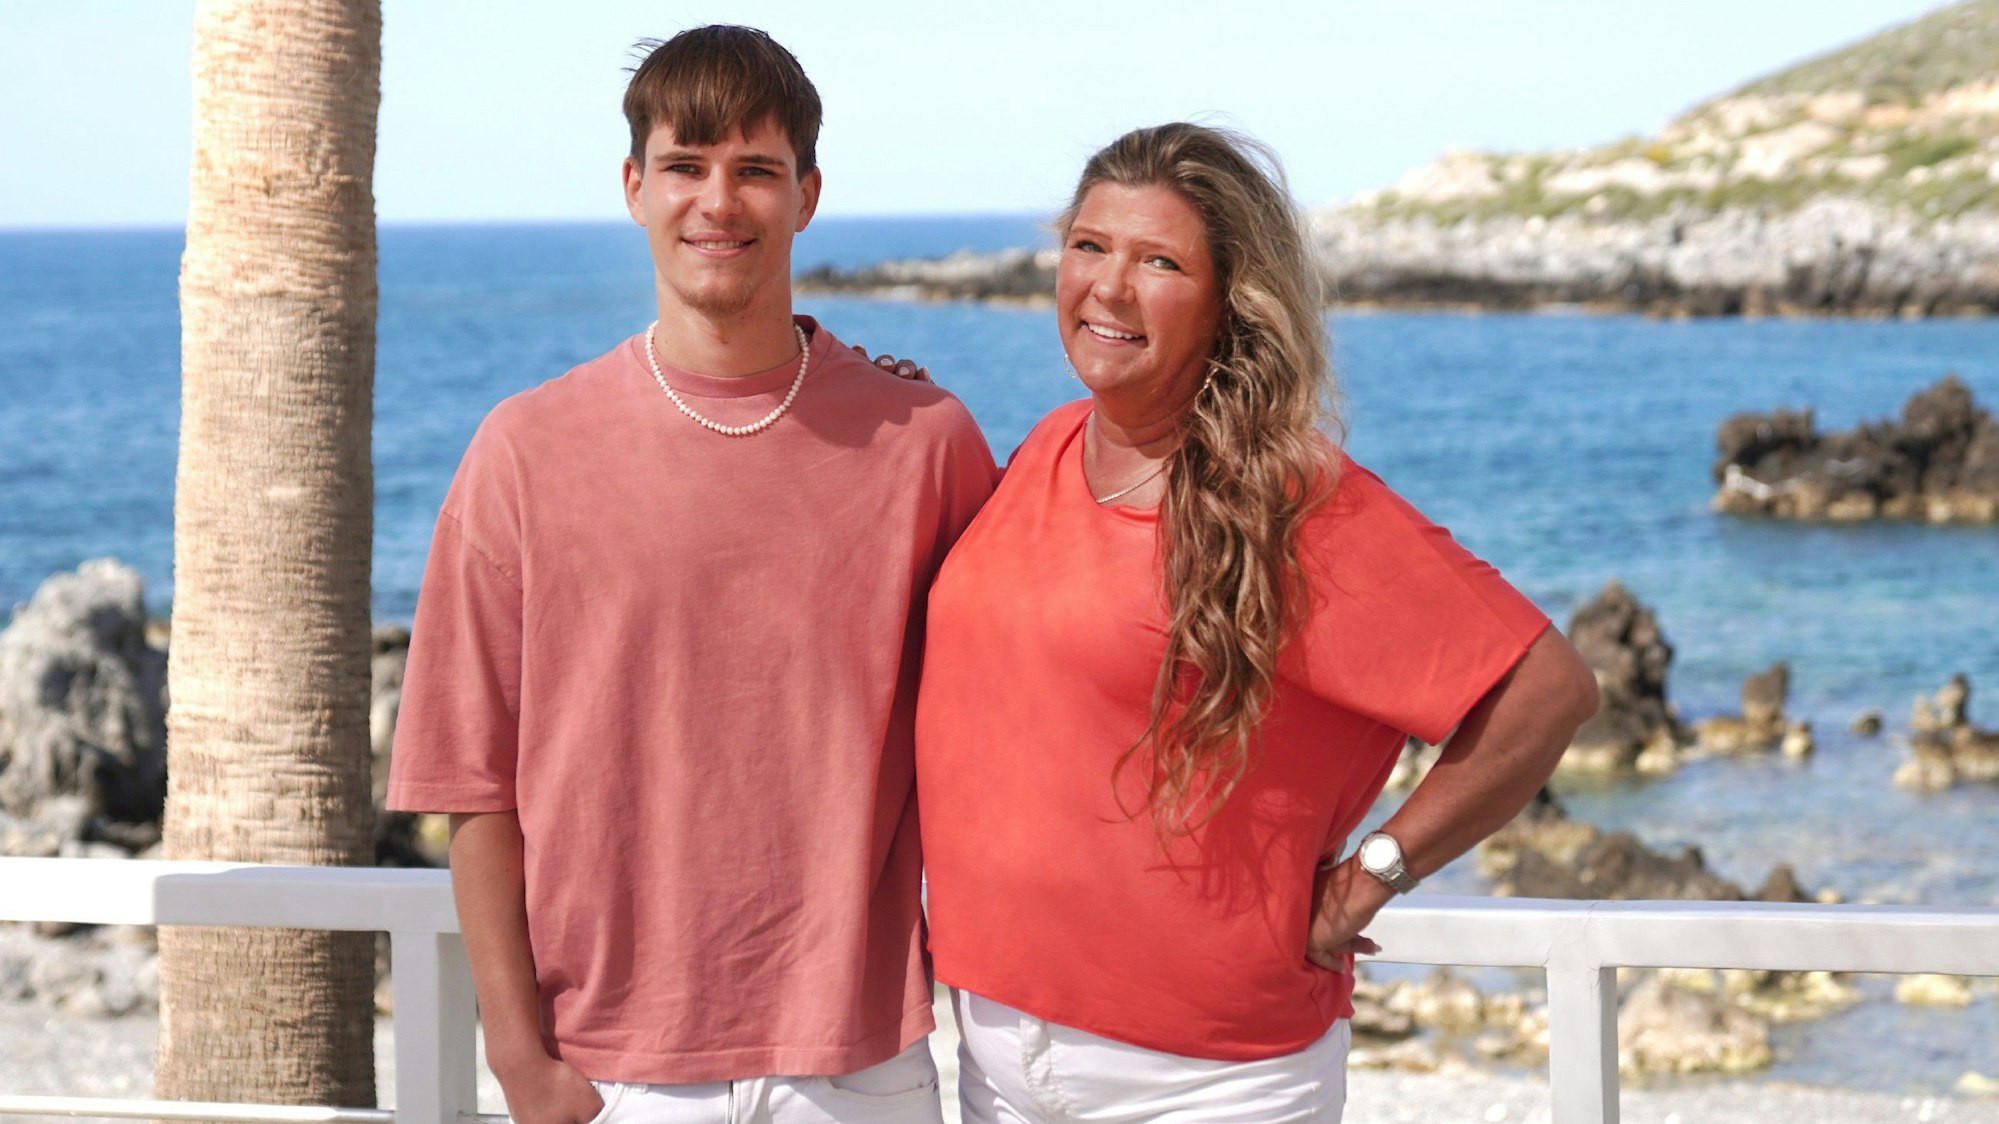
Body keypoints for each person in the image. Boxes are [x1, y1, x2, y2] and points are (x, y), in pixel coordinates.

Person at [914, 123, 1600, 1122]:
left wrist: (1376, 869)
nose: (1107, 286)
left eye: (1159, 261)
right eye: (1089, 245)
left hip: (1207, 1080)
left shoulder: (1287, 498)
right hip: (995, 1050)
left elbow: (1546, 690)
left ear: (1227, 299)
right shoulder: (1043, 452)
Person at [386, 25, 995, 1124]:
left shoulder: (925, 443)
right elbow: (467, 779)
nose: (719, 200)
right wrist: (521, 1060)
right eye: (686, 165)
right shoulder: (524, 451)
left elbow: (1028, 710)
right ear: (634, 187)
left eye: (756, 169)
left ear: (806, 195)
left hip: (857, 1067)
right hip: (614, 1071)